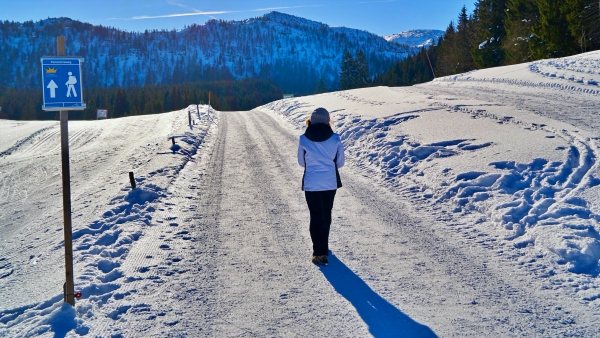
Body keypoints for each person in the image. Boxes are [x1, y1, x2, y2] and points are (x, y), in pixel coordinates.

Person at [297, 107, 345, 265]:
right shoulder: (335, 138)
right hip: (330, 182)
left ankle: (319, 253)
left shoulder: (303, 139)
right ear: (327, 121)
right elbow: (340, 163)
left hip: (311, 183)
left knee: (316, 216)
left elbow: (301, 162)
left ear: (311, 120)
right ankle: (323, 246)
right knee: (326, 214)